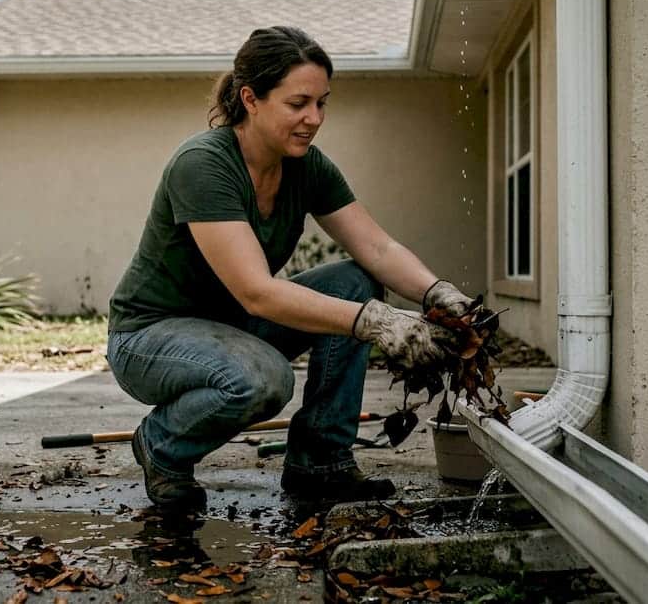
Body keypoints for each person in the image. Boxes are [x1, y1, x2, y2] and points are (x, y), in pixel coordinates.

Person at [107, 26, 479, 509]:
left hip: (230, 327)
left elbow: (378, 249)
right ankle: (160, 446)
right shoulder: (203, 165)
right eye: (298, 103)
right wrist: (378, 322)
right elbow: (257, 292)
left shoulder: (305, 165)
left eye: (322, 103)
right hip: (149, 337)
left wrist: (439, 294)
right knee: (265, 379)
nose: (314, 118)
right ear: (251, 99)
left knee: (354, 280)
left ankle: (320, 463)